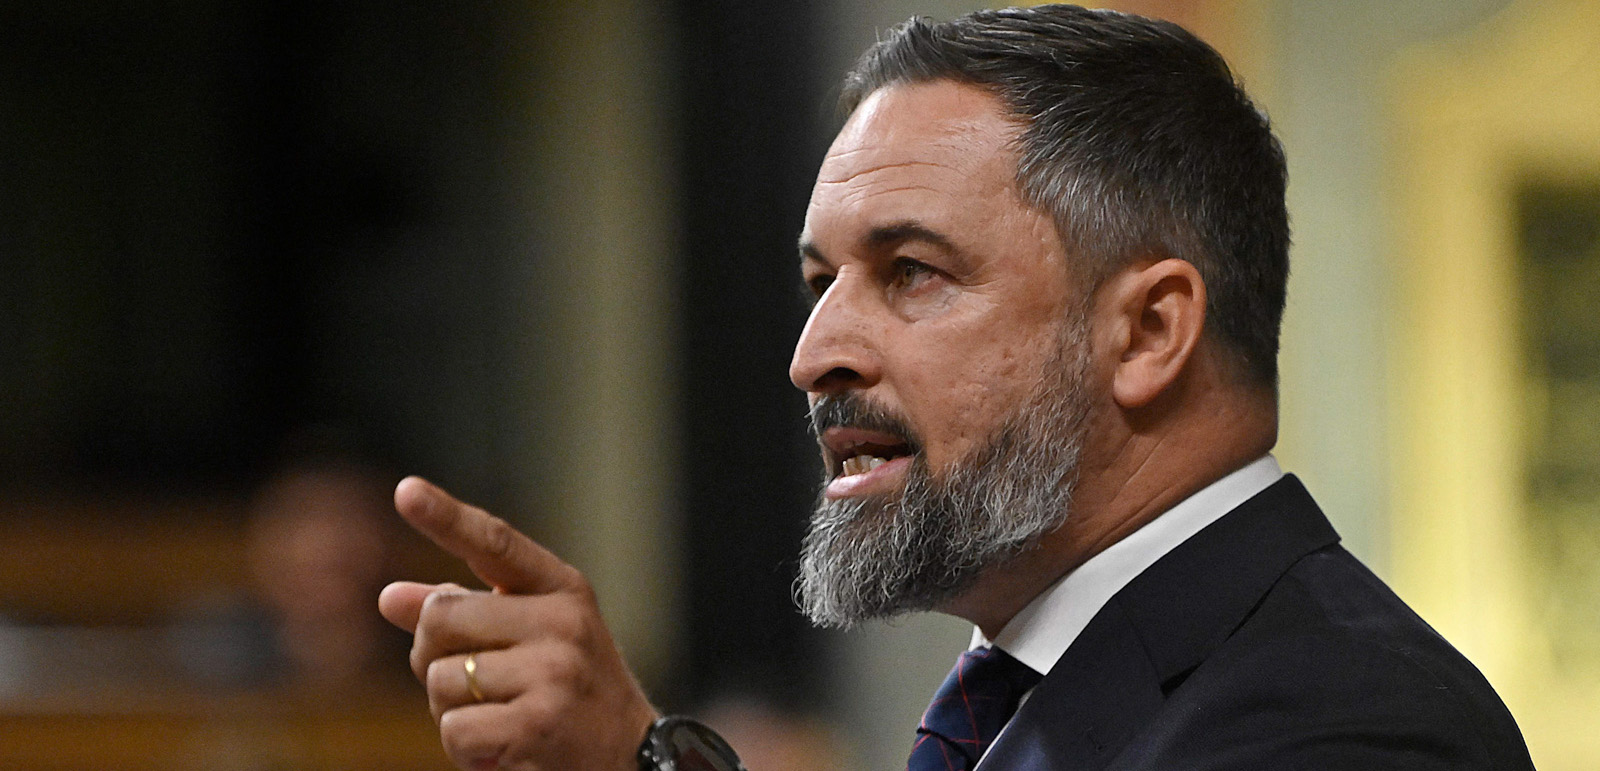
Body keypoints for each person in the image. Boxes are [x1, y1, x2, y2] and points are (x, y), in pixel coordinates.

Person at [378, 5, 1535, 770]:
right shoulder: (1046, 681)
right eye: (820, 280)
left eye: (912, 274)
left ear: (1147, 330)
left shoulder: (1346, 731)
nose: (813, 352)